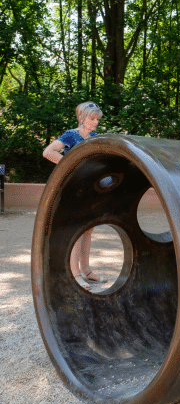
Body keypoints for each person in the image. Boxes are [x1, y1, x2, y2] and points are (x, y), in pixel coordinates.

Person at [43, 101, 107, 289]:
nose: (96, 122)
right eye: (92, 119)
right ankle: (76, 274)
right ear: (82, 118)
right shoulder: (71, 135)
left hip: (91, 189)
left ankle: (86, 271)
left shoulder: (94, 137)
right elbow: (48, 152)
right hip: (75, 188)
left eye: (97, 119)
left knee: (88, 229)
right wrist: (71, 165)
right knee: (78, 230)